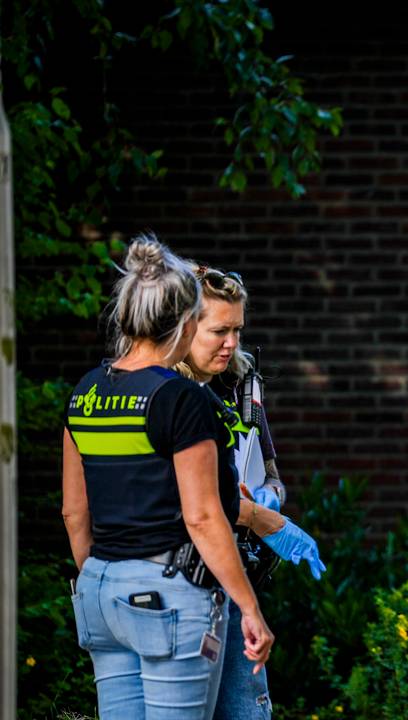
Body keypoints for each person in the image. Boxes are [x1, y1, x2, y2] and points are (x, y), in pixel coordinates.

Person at [61, 235, 273, 720]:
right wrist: (249, 607)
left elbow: (74, 511)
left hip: (100, 591)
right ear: (183, 321)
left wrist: (101, 575)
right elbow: (203, 517)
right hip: (169, 595)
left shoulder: (85, 392)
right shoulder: (182, 397)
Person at [175, 263, 326, 720]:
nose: (232, 343)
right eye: (220, 331)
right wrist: (256, 515)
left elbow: (270, 468)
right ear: (185, 326)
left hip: (238, 575)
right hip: (184, 580)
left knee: (247, 708)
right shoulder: (167, 393)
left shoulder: (240, 383)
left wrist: (269, 494)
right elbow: (185, 501)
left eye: (238, 330)